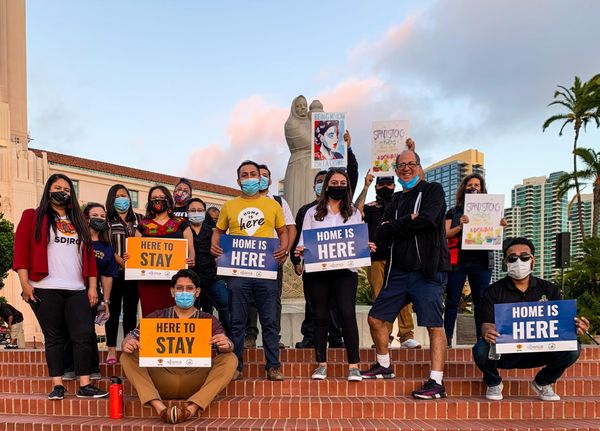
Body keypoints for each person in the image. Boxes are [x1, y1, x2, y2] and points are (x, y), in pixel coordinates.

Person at [362, 150, 450, 400]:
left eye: (411, 164)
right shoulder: (395, 200)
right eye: (401, 165)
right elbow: (381, 233)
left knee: (434, 326)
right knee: (376, 319)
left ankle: (436, 382)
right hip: (398, 272)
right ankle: (384, 365)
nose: (406, 169)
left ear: (419, 167)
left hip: (426, 272)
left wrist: (397, 226)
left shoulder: (433, 190)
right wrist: (404, 222)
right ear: (396, 169)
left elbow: (429, 221)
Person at [12, 173, 108, 400]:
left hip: (76, 287)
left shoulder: (79, 222)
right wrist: (24, 283)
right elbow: (21, 250)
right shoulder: (32, 216)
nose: (62, 192)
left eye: (66, 189)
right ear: (48, 190)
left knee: (83, 334)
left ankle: (85, 385)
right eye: (57, 187)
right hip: (44, 286)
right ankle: (58, 385)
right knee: (54, 337)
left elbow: (90, 258)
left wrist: (92, 286)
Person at [473, 237, 590, 401]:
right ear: (506, 263)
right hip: (505, 352)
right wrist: (488, 332)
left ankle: (543, 382)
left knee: (573, 348)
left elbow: (563, 324)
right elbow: (486, 323)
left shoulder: (549, 289)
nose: (518, 261)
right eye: (512, 258)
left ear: (533, 260)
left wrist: (577, 328)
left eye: (524, 257)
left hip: (541, 349)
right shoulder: (493, 291)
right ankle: (494, 383)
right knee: (480, 349)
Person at [120, 269, 237, 424]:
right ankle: (160, 408)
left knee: (230, 358)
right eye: (179, 288)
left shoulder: (208, 319)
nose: (184, 292)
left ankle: (191, 409)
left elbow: (227, 344)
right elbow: (132, 335)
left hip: (196, 379)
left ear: (197, 292)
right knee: (126, 356)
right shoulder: (157, 316)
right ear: (172, 291)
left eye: (189, 288)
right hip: (162, 377)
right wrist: (127, 342)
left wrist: (226, 344)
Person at [211, 160, 289, 381]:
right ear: (238, 181)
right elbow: (218, 232)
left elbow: (283, 232)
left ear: (260, 178)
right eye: (244, 175)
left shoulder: (273, 205)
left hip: (265, 271)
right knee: (237, 322)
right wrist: (214, 247)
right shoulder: (229, 206)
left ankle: (273, 366)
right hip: (238, 272)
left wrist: (283, 249)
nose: (249, 178)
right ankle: (236, 366)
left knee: (269, 321)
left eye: (253, 174)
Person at [295, 168, 375, 381]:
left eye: (342, 183)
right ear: (326, 186)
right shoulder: (312, 213)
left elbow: (357, 242)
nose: (338, 186)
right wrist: (300, 250)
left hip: (345, 272)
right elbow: (303, 242)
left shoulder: (354, 213)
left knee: (347, 314)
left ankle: (354, 365)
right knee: (320, 315)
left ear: (347, 187)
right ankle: (321, 363)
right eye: (334, 182)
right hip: (318, 272)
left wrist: (366, 246)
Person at [355, 171, 420, 349]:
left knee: (405, 296)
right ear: (376, 187)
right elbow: (355, 212)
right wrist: (366, 186)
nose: (385, 187)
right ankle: (385, 337)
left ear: (394, 186)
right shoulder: (370, 206)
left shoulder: (401, 202)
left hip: (400, 256)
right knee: (379, 298)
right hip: (376, 258)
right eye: (381, 185)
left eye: (389, 185)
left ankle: (407, 335)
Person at [444, 173, 507, 346]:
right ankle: (446, 338)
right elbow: (445, 234)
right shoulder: (453, 211)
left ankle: (482, 338)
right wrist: (460, 226)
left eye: (477, 185)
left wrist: (500, 225)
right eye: (470, 185)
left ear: (482, 189)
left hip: (482, 260)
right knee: (452, 299)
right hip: (458, 261)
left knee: (481, 300)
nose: (473, 188)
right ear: (464, 188)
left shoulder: (492, 209)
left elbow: (496, 235)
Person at [244, 164, 296, 349]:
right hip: (249, 256)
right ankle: (249, 336)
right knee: (249, 298)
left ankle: (274, 337)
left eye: (266, 175)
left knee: (273, 298)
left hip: (273, 257)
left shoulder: (279, 202)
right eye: (260, 175)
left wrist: (286, 251)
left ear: (270, 180)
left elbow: (290, 228)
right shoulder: (243, 202)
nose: (262, 178)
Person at [63, 203, 118, 380]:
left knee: (87, 330)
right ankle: (70, 368)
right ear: (85, 217)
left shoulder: (106, 247)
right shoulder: (75, 239)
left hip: (93, 292)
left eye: (103, 216)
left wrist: (106, 302)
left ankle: (92, 368)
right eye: (95, 215)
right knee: (69, 328)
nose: (99, 219)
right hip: (70, 288)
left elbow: (108, 276)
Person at [291, 170, 344, 349]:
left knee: (336, 302)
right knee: (312, 302)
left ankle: (336, 336)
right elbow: (298, 237)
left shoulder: (345, 209)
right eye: (319, 181)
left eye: (324, 180)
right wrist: (296, 261)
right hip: (313, 266)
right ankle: (310, 336)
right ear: (315, 186)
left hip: (339, 265)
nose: (322, 184)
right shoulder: (306, 210)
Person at [134, 185, 195, 317]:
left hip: (175, 282)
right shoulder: (142, 226)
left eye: (161, 197)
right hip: (148, 283)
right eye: (154, 198)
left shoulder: (181, 223)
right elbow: (135, 252)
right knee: (150, 317)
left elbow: (191, 251)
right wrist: (130, 257)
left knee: (174, 317)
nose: (158, 200)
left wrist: (190, 260)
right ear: (149, 202)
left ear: (169, 200)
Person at [104, 184, 142, 364]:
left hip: (134, 274)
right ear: (112, 199)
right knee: (112, 310)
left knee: (130, 311)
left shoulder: (138, 219)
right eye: (118, 196)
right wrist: (121, 260)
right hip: (113, 273)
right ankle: (111, 348)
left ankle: (129, 345)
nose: (123, 199)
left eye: (125, 195)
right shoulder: (107, 220)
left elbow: (146, 243)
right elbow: (105, 245)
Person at [187, 197, 230, 335]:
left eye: (199, 210)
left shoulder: (213, 232)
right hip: (190, 280)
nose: (196, 213)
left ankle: (227, 337)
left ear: (204, 212)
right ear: (187, 212)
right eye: (193, 210)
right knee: (190, 311)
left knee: (226, 304)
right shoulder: (181, 231)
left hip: (212, 278)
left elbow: (222, 253)